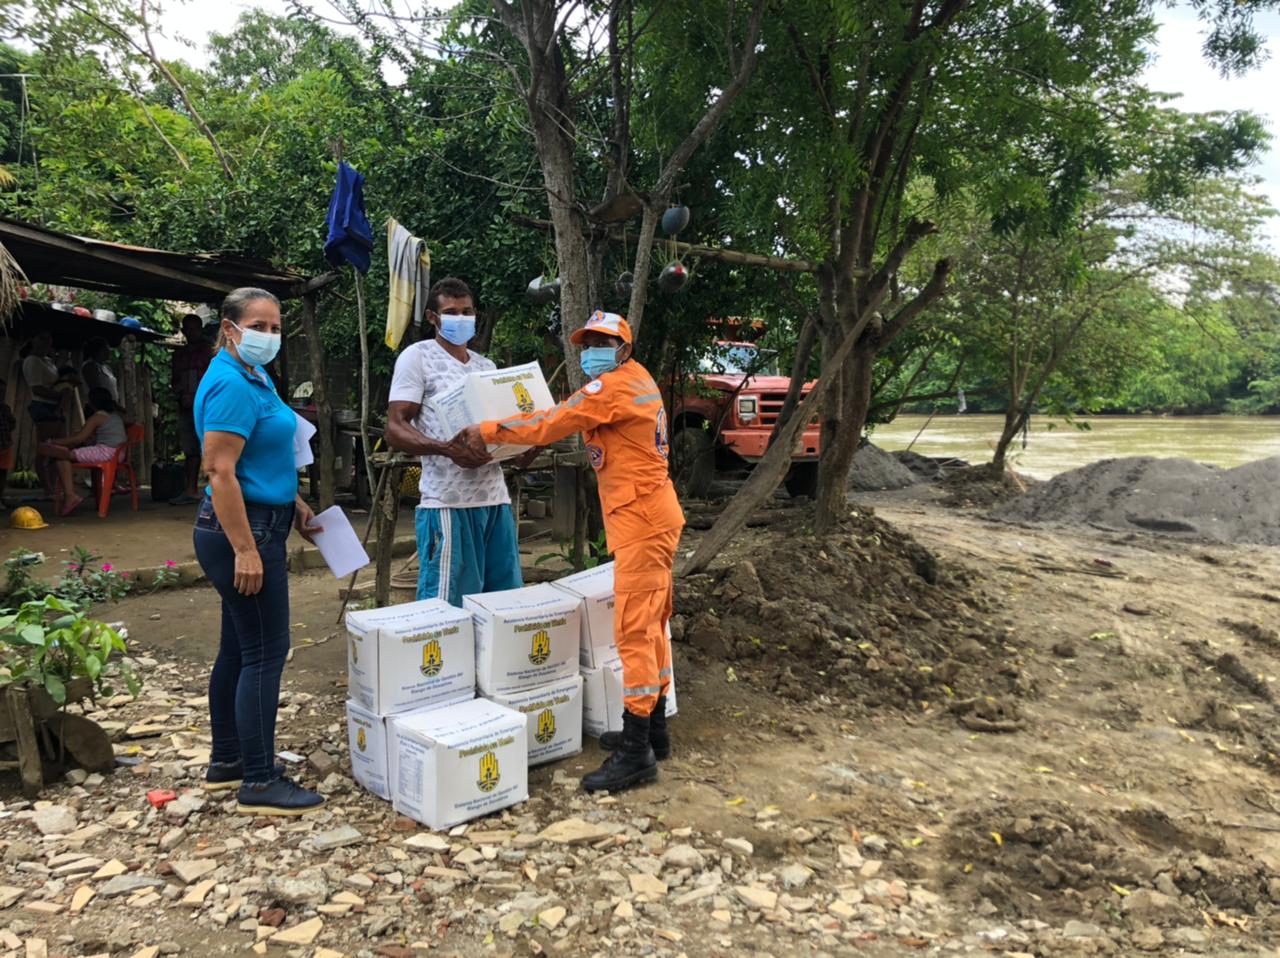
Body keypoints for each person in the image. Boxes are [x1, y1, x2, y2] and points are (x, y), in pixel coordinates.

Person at [457, 310, 684, 793]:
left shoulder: (614, 387)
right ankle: (655, 730)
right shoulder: (637, 380)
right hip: (651, 515)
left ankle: (637, 752)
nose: (591, 350)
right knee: (653, 623)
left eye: (603, 341)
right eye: (587, 341)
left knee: (634, 632)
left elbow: (551, 421)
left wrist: (490, 430)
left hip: (642, 520)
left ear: (624, 347)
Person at [192, 287, 325, 816]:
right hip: (242, 532)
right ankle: (261, 781)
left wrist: (292, 498)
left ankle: (228, 761)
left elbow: (259, 453)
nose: (269, 336)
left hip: (264, 519)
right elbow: (219, 471)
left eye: (275, 327)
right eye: (258, 326)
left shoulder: (255, 377)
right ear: (229, 328)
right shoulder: (230, 384)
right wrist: (246, 549)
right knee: (266, 653)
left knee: (239, 649)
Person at [385, 277, 527, 605]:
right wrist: (446, 449)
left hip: (495, 500)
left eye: (467, 312)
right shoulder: (416, 357)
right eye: (451, 312)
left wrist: (530, 439)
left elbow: (504, 440)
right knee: (446, 611)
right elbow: (395, 428)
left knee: (503, 605)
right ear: (433, 318)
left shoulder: (485, 366)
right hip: (448, 503)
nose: (461, 319)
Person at [36, 387, 127, 516]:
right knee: (61, 458)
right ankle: (69, 493)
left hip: (106, 452)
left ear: (91, 403)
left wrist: (56, 441)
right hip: (119, 454)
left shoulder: (97, 417)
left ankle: (70, 495)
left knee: (65, 456)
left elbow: (80, 438)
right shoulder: (116, 417)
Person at [22, 332, 75, 495]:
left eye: (49, 339)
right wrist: (61, 395)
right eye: (42, 339)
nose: (47, 342)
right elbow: (36, 388)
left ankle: (54, 486)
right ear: (33, 340)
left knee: (59, 447)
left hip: (56, 407)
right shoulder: (31, 361)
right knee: (46, 448)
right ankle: (47, 488)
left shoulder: (48, 361)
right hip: (43, 406)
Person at [171, 313, 213, 505]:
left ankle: (217, 491)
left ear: (201, 329)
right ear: (184, 331)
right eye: (188, 329)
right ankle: (191, 490)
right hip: (186, 408)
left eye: (195, 328)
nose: (191, 333)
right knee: (190, 450)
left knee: (215, 448)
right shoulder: (179, 355)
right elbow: (175, 381)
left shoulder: (211, 352)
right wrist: (182, 396)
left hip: (210, 408)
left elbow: (213, 380)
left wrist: (196, 397)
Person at [80, 338, 119, 404]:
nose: (108, 352)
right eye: (105, 349)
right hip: (98, 406)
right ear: (98, 351)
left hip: (111, 406)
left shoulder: (107, 367)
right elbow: (96, 390)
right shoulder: (90, 366)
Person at [0, 376, 15, 510]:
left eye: (3, 392)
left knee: (3, 472)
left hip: (5, 445)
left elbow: (12, 424)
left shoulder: (5, 408)